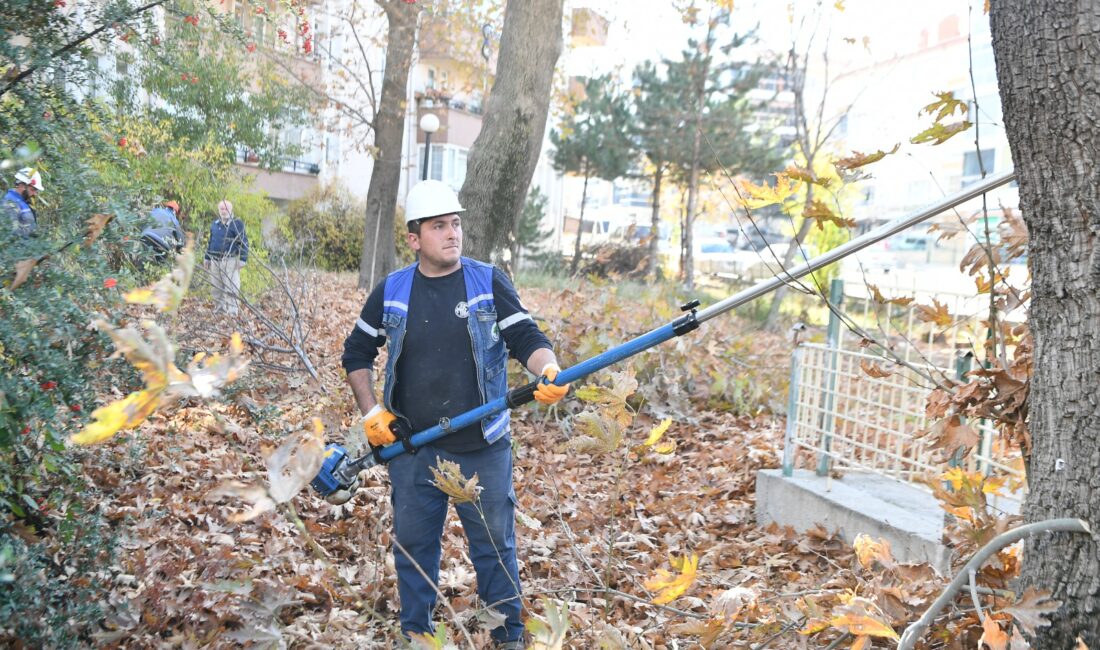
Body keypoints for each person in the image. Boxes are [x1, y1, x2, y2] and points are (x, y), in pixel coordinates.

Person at [339, 180, 569, 649]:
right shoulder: (393, 290)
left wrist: (550, 370)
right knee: (415, 553)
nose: (452, 234)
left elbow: (527, 338)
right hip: (413, 450)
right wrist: (372, 414)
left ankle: (507, 638)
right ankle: (418, 638)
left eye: (456, 224)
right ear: (414, 237)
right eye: (439, 225)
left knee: (495, 552)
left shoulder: (487, 280)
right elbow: (356, 353)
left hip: (482, 447)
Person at [204, 199, 248, 316]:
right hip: (215, 261)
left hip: (230, 261)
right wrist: (207, 258)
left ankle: (233, 313)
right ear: (219, 210)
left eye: (226, 208)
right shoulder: (215, 224)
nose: (224, 211)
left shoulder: (237, 224)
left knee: (231, 287)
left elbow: (243, 242)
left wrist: (243, 259)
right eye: (222, 209)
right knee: (216, 288)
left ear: (231, 209)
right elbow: (211, 242)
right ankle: (219, 312)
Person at [4, 167, 44, 238]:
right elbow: (11, 233)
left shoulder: (24, 201)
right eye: (33, 189)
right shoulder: (10, 202)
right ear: (22, 185)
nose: (34, 194)